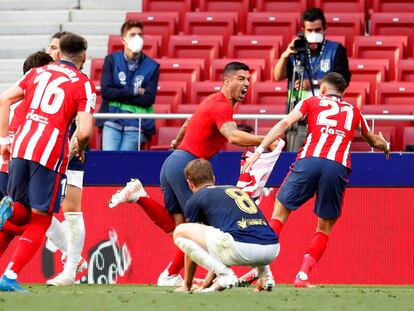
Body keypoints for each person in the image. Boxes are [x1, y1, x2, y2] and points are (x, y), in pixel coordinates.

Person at [109, 62, 276, 286]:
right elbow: (233, 137)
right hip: (188, 166)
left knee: (179, 229)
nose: (246, 83)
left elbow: (188, 122)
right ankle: (196, 276)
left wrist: (178, 141)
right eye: (240, 78)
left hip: (173, 164)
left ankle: (140, 198)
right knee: (201, 229)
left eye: (248, 79)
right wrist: (266, 141)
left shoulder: (212, 100)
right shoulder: (222, 106)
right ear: (227, 82)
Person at [242, 72, 390, 288]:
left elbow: (285, 122)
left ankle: (259, 269)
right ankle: (302, 276)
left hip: (309, 160)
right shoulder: (354, 112)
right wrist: (385, 146)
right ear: (344, 93)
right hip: (337, 166)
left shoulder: (311, 101)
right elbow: (373, 140)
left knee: (280, 212)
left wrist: (260, 150)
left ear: (322, 89)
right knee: (324, 227)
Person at [0, 33, 95, 292]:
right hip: (51, 154)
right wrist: (79, 146)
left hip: (20, 148)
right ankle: (10, 275)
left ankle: (7, 214)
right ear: (83, 56)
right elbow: (85, 131)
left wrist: (4, 141)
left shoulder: (37, 73)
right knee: (41, 219)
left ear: (59, 52)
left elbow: (5, 99)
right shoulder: (83, 84)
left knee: (20, 214)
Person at [173, 159, 279, 293]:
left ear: (190, 184)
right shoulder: (234, 190)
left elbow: (193, 245)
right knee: (237, 234)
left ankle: (225, 276)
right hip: (272, 250)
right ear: (213, 178)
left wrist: (187, 285)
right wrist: (206, 282)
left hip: (241, 249)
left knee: (180, 231)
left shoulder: (196, 199)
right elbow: (221, 244)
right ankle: (265, 275)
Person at [44, 31, 89, 286]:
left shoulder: (79, 82)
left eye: (56, 47)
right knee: (36, 208)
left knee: (71, 208)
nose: (52, 52)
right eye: (50, 47)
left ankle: (70, 270)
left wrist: (74, 145)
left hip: (70, 150)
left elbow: (82, 123)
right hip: (42, 151)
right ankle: (75, 259)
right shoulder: (39, 77)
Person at [274, 7, 351, 151]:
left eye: (318, 30)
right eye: (310, 30)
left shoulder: (336, 50)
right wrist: (285, 54)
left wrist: (313, 83)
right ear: (303, 30)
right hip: (298, 119)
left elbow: (343, 79)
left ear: (324, 29)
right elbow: (278, 76)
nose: (314, 34)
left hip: (327, 121)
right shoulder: (296, 50)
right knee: (295, 161)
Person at [98, 20, 159, 151]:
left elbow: (148, 99)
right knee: (110, 160)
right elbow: (106, 92)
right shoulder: (111, 60)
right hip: (112, 120)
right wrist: (134, 91)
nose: (137, 38)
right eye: (132, 35)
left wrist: (119, 93)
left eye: (140, 34)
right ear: (123, 40)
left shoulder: (152, 66)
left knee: (124, 163)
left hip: (137, 124)